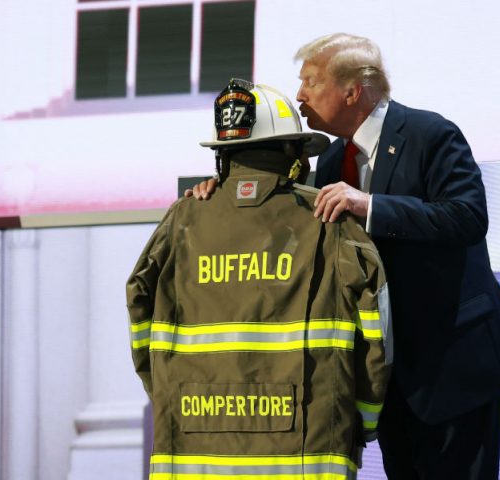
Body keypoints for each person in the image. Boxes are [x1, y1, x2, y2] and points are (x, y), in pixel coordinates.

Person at [190, 34, 500, 479]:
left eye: (310, 81)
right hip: (388, 375)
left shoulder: (431, 133)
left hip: (452, 368)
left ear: (353, 90)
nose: (300, 95)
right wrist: (217, 195)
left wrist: (371, 205)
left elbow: (467, 217)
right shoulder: (330, 162)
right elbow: (286, 229)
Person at [128, 79, 392, 479]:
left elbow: (140, 311)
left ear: (224, 156)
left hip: (193, 446)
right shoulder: (332, 225)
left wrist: (170, 394)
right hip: (310, 452)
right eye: (301, 152)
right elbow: (378, 339)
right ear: (290, 152)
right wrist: (363, 422)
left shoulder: (180, 221)